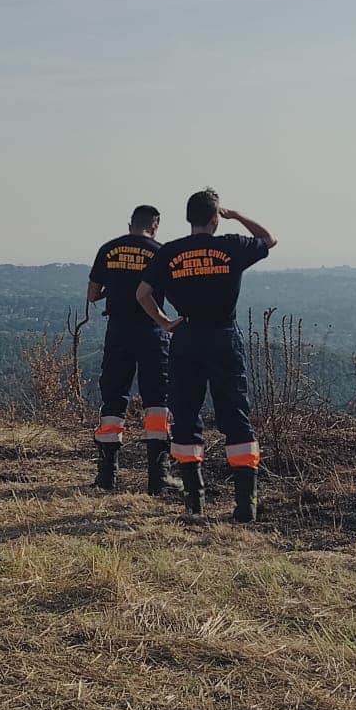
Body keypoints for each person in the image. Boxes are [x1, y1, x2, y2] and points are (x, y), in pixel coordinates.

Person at [135, 187, 278, 520]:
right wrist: (238, 216)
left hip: (186, 337)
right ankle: (246, 506)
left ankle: (194, 502)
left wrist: (165, 322)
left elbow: (142, 293)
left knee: (185, 415)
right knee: (235, 416)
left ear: (188, 218)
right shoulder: (232, 245)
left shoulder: (169, 253)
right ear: (215, 217)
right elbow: (269, 239)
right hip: (223, 337)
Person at [86, 205, 172, 493]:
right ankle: (158, 478)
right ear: (155, 224)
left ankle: (107, 475)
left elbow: (92, 295)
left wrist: (115, 287)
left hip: (119, 331)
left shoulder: (108, 249)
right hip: (151, 331)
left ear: (130, 223)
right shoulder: (161, 252)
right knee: (157, 401)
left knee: (113, 397)